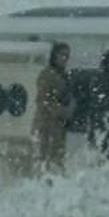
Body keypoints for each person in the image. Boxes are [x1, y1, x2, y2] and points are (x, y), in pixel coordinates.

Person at [34, 42, 74, 173]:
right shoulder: (48, 75)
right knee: (47, 161)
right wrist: (64, 111)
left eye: (67, 56)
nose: (64, 59)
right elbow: (44, 101)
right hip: (46, 125)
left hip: (57, 126)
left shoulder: (61, 75)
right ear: (54, 56)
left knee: (57, 161)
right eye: (62, 55)